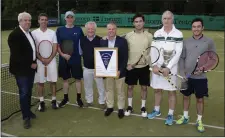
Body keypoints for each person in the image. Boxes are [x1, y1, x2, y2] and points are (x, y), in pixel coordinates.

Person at [176, 18, 216, 133]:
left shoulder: (209, 42)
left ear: (203, 28)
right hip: (187, 77)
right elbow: (182, 58)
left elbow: (213, 59)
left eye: (199, 26)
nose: (196, 29)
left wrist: (203, 68)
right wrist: (183, 73)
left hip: (201, 77)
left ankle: (199, 120)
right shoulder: (186, 42)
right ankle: (185, 116)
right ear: (191, 28)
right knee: (185, 97)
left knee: (199, 99)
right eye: (194, 27)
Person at [147, 10, 183, 126]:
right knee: (157, 90)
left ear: (173, 19)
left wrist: (168, 67)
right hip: (157, 69)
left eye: (169, 18)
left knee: (171, 92)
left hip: (170, 70)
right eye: (164, 18)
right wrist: (155, 65)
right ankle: (156, 110)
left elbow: (178, 53)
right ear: (162, 20)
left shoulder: (178, 34)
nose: (166, 21)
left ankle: (170, 114)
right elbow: (153, 50)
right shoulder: (157, 33)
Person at [8, 12, 37, 129]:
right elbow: (16, 55)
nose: (28, 22)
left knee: (28, 92)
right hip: (22, 71)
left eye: (29, 20)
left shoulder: (28, 33)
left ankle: (28, 111)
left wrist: (34, 62)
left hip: (30, 70)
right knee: (24, 93)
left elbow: (31, 50)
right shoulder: (14, 35)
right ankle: (26, 117)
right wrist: (31, 63)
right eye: (25, 20)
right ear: (19, 21)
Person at [124, 13, 153, 117]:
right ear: (133, 23)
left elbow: (151, 51)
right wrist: (127, 64)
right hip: (131, 67)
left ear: (143, 22)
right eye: (136, 21)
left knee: (144, 88)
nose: (138, 23)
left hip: (144, 67)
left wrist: (148, 62)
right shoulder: (128, 36)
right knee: (130, 87)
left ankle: (143, 107)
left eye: (140, 21)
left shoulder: (149, 36)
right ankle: (130, 106)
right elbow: (125, 50)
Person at [56, 11, 84, 108]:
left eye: (71, 17)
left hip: (76, 58)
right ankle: (65, 98)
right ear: (65, 19)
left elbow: (83, 42)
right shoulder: (60, 30)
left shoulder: (79, 29)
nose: (70, 19)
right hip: (63, 59)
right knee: (65, 79)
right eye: (68, 17)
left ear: (74, 18)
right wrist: (63, 55)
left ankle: (79, 98)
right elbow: (57, 45)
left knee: (78, 79)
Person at [101, 22, 128, 119]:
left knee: (120, 90)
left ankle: (121, 108)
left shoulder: (122, 41)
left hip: (119, 71)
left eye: (113, 29)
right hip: (107, 71)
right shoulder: (103, 41)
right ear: (107, 30)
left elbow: (125, 58)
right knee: (109, 90)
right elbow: (100, 57)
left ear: (116, 30)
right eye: (109, 29)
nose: (111, 31)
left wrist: (120, 70)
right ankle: (110, 107)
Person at [32, 13, 58, 112]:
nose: (44, 21)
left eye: (45, 19)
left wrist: (50, 58)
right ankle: (41, 102)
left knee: (53, 81)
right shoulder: (34, 33)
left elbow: (55, 47)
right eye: (42, 19)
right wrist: (41, 59)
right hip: (39, 62)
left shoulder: (52, 32)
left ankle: (54, 100)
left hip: (51, 61)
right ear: (38, 21)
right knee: (40, 82)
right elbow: (34, 48)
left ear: (47, 21)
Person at [80, 21, 106, 109]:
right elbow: (80, 52)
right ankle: (89, 101)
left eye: (92, 29)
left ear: (95, 29)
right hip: (87, 68)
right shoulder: (82, 39)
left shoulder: (100, 40)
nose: (90, 30)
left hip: (98, 68)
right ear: (86, 29)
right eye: (88, 29)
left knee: (101, 86)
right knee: (87, 86)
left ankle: (102, 102)